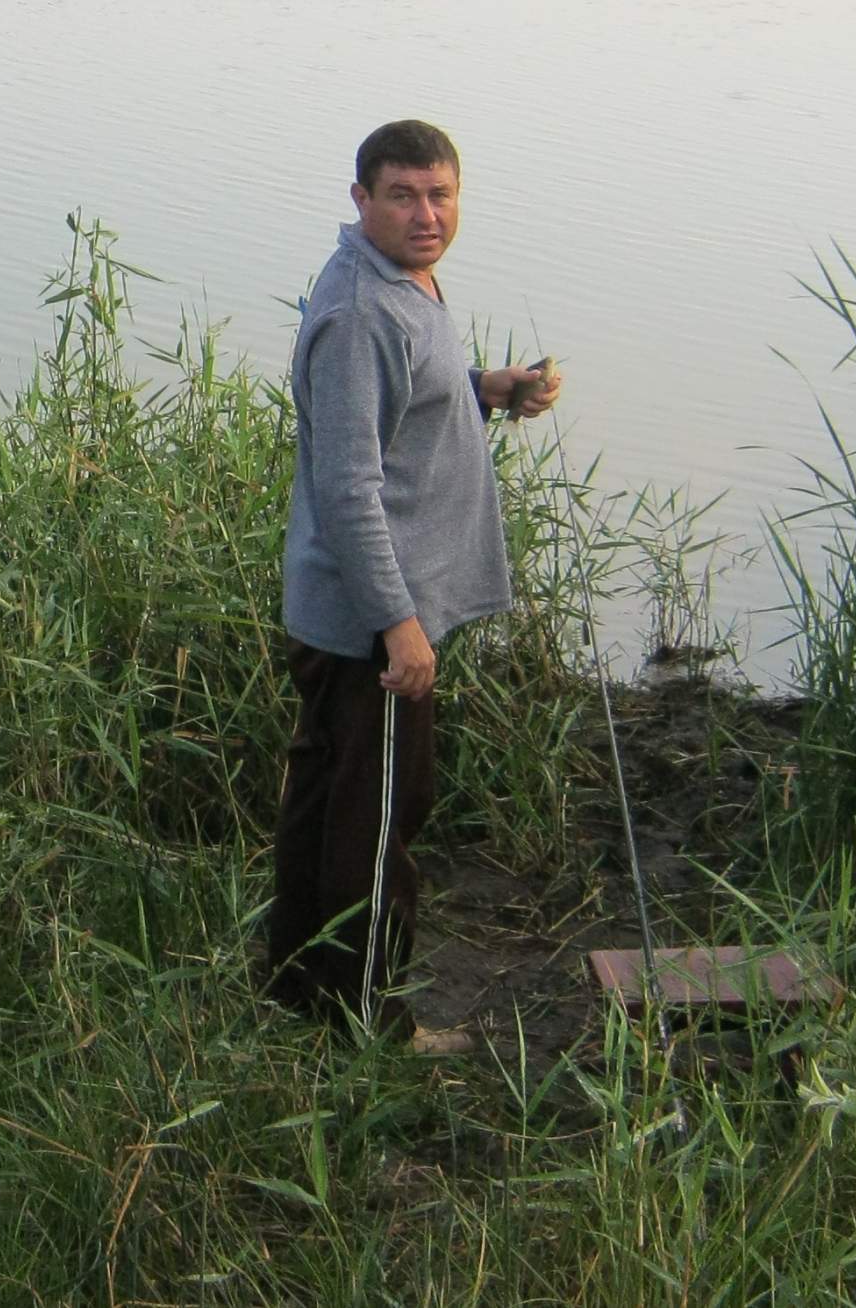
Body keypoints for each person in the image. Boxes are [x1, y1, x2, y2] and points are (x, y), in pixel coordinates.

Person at [268, 119, 559, 1045]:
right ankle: (371, 1026)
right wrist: (398, 624)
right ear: (362, 200)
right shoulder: (362, 313)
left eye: (440, 194)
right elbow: (348, 487)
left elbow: (399, 404)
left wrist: (483, 388)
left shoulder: (402, 282)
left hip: (356, 616)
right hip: (372, 626)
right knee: (379, 819)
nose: (425, 214)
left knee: (329, 801)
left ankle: (297, 992)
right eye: (402, 195)